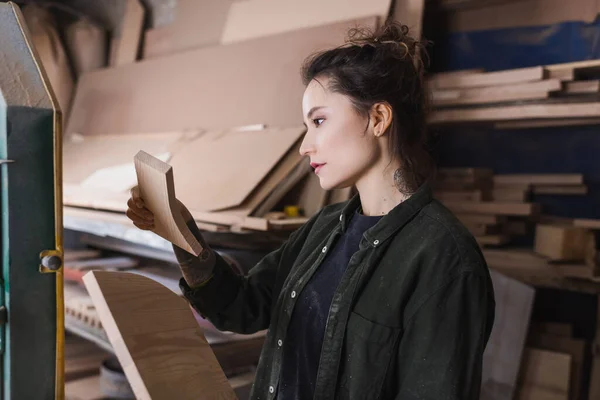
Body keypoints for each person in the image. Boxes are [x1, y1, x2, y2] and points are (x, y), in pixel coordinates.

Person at [127, 22, 495, 400]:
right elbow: (241, 307)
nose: (305, 145)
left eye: (319, 121)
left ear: (378, 118)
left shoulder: (444, 258)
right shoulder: (324, 228)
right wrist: (178, 229)